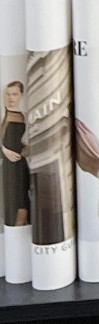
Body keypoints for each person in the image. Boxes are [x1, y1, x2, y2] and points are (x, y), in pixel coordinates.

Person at [1, 79, 28, 228]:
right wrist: (4, 150)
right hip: (7, 166)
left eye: (15, 94)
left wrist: (25, 150)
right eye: (8, 94)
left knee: (23, 202)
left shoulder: (24, 116)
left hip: (22, 165)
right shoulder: (3, 115)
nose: (11, 97)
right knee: (12, 202)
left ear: (21, 95)